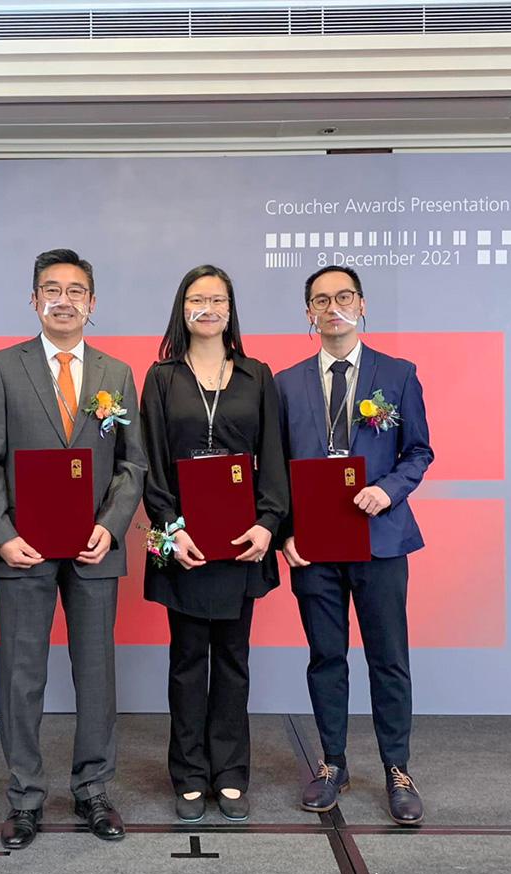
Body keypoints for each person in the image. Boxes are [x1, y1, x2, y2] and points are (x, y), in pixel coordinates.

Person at [0, 248, 147, 849]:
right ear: (33, 299)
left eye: (76, 290)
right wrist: (1, 534)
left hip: (95, 547)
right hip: (22, 547)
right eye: (51, 288)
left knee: (95, 673)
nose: (63, 299)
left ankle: (94, 790)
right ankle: (24, 796)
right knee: (22, 676)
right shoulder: (0, 367)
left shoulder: (116, 373)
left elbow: (133, 463)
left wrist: (112, 524)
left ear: (92, 303)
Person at [275, 265, 433, 825]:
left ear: (361, 305)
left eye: (343, 297)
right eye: (321, 300)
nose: (333, 307)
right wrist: (285, 532)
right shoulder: (286, 383)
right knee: (326, 656)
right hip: (314, 544)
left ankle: (397, 768)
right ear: (309, 313)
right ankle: (332, 763)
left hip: (381, 539)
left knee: (388, 659)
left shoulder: (398, 373)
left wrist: (387, 492)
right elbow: (276, 468)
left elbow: (418, 452)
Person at [139, 265, 289, 823]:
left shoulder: (256, 375)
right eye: (197, 299)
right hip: (183, 541)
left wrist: (269, 523)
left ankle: (230, 772)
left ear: (231, 309)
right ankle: (188, 773)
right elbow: (151, 463)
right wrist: (170, 531)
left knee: (232, 659)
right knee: (185, 661)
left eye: (218, 299)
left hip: (241, 539)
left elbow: (272, 457)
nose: (208, 308)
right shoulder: (161, 378)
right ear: (182, 308)